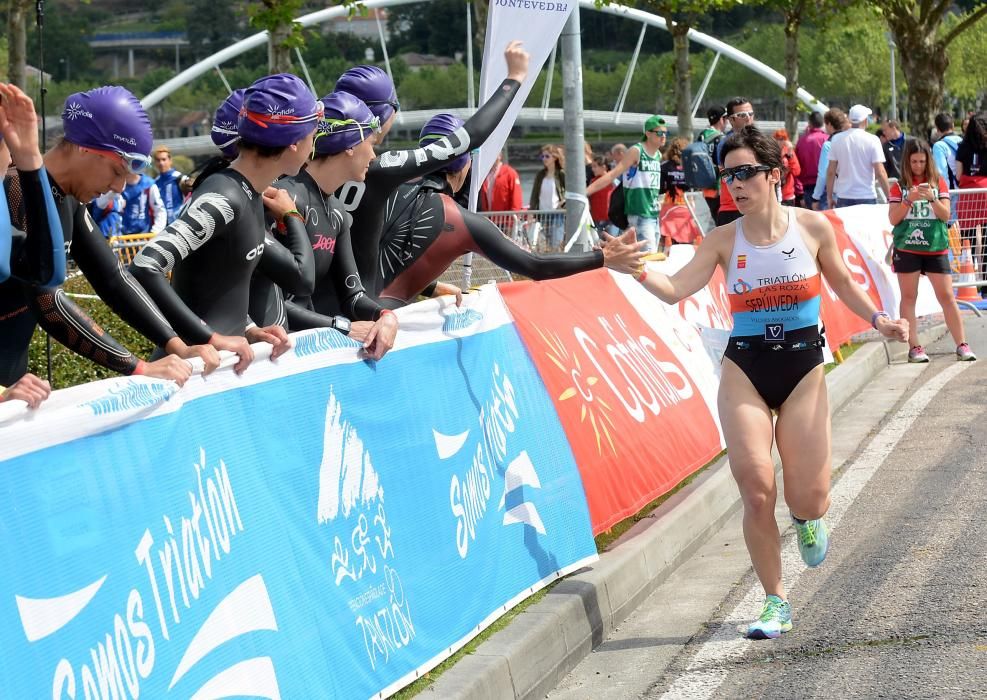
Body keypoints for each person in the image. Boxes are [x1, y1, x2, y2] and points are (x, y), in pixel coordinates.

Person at [632, 126, 907, 640]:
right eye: (726, 176)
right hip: (745, 368)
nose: (734, 185)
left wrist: (879, 320)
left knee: (809, 497)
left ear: (774, 175)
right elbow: (674, 290)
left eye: (744, 174)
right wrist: (638, 271)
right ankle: (775, 601)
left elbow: (844, 284)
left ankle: (807, 517)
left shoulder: (812, 227)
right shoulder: (720, 240)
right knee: (756, 488)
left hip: (802, 367)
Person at [1, 85, 209, 387]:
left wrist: (177, 344)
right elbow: (48, 300)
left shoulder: (68, 199)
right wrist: (138, 368)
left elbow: (113, 277)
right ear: (85, 148)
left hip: (14, 388)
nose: (120, 188)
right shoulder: (16, 191)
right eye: (116, 172)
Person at [132, 73, 321, 374]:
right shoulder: (224, 196)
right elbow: (144, 265)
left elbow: (211, 283)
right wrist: (208, 337)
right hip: (191, 373)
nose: (313, 147)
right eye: (313, 134)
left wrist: (246, 329)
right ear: (295, 143)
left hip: (216, 372)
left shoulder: (250, 193)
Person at [375, 114, 645, 308]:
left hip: (343, 318)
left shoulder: (384, 189)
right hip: (379, 332)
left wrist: (431, 287)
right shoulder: (458, 220)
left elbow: (384, 261)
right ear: (464, 163)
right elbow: (535, 265)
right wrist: (603, 257)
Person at [334, 41, 528, 292]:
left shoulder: (310, 159)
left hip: (302, 313)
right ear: (386, 114)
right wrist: (514, 77)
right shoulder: (381, 169)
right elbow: (469, 137)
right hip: (355, 316)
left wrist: (432, 287)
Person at [275, 91, 400, 361]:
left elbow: (352, 295)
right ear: (350, 145)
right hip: (269, 352)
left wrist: (385, 316)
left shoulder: (338, 213)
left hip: (301, 349)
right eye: (371, 143)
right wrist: (340, 326)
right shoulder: (284, 198)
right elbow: (265, 301)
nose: (374, 156)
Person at [889, 138, 975, 362]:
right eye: (914, 161)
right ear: (907, 162)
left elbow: (946, 215)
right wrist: (908, 200)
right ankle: (915, 347)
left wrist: (932, 198)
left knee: (947, 296)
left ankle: (962, 344)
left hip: (936, 247)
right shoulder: (898, 186)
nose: (918, 166)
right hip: (907, 248)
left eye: (922, 161)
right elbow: (893, 218)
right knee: (909, 296)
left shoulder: (938, 183)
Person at [586, 115, 666, 251]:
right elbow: (612, 174)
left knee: (644, 257)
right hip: (639, 213)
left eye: (665, 133)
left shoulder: (658, 155)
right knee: (648, 258)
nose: (663, 136)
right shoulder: (637, 151)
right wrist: (585, 192)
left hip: (653, 214)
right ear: (648, 133)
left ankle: (608, 256)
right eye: (659, 133)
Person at [825, 104, 890, 207]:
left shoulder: (837, 139)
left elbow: (831, 172)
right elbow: (880, 172)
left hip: (843, 196)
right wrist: (889, 197)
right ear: (865, 120)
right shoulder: (873, 140)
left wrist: (829, 197)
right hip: (867, 196)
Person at [954, 113, 987, 291]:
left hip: (968, 193)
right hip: (986, 191)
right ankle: (986, 283)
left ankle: (970, 280)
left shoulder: (962, 147)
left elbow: (958, 174)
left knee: (969, 238)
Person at [715, 98, 757, 226]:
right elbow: (725, 175)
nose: (748, 118)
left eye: (751, 114)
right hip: (734, 208)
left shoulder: (760, 141)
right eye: (742, 115)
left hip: (757, 207)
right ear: (731, 119)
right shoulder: (725, 144)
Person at [810, 108, 850, 211]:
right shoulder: (850, 141)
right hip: (854, 192)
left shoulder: (828, 145)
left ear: (829, 124)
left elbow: (824, 174)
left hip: (835, 194)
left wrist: (816, 197)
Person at [529, 144, 566, 248]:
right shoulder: (540, 175)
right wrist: (531, 211)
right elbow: (535, 195)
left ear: (555, 157)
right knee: (543, 245)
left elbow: (569, 192)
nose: (544, 159)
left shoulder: (561, 174)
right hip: (542, 214)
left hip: (557, 214)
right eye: (542, 156)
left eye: (547, 156)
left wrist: (563, 202)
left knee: (555, 244)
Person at [697, 105, 727, 217]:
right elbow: (722, 163)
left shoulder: (702, 135)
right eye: (726, 119)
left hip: (705, 187)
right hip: (719, 188)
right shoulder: (721, 138)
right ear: (721, 119)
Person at [795, 111, 827, 210]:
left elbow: (797, 167)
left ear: (810, 123)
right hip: (824, 185)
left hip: (807, 185)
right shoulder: (827, 139)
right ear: (823, 123)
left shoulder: (802, 141)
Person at [119, 169, 166, 234]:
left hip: (144, 235)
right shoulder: (117, 184)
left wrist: (155, 232)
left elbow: (160, 210)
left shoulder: (148, 184)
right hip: (121, 235)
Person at [153, 145, 190, 224]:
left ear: (170, 160)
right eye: (158, 160)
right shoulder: (154, 183)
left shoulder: (181, 178)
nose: (161, 163)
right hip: (163, 227)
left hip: (180, 224)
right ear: (155, 162)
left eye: (164, 159)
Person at [773, 129, 801, 206]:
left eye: (782, 139)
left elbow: (796, 171)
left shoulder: (789, 153)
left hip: (787, 194)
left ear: (786, 141)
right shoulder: (771, 152)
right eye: (777, 139)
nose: (779, 142)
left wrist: (790, 155)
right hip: (774, 194)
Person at [588, 155, 615, 234]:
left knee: (612, 242)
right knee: (599, 243)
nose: (592, 169)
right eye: (592, 167)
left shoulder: (612, 180)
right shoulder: (592, 181)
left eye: (595, 166)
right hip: (597, 219)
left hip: (611, 220)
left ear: (603, 167)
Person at [660, 136, 690, 206]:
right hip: (688, 205)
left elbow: (661, 189)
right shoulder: (690, 167)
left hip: (670, 204)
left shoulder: (664, 166)